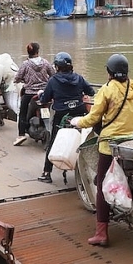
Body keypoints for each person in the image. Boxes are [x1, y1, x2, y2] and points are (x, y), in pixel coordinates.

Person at [70, 53, 133, 247]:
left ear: (109, 72)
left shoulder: (107, 91)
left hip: (110, 144)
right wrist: (130, 125)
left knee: (102, 184)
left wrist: (77, 121)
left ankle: (101, 233)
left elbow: (93, 119)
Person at [36, 52, 95, 183]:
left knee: (53, 141)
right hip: (80, 113)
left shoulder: (53, 81)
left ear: (57, 67)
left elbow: (45, 98)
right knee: (84, 141)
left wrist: (41, 95)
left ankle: (47, 173)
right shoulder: (79, 78)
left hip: (62, 116)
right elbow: (91, 91)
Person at [13, 42, 55, 146]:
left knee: (22, 112)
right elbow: (53, 74)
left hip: (30, 94)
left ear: (28, 52)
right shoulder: (45, 62)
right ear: (37, 51)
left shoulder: (25, 64)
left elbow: (17, 78)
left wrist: (20, 80)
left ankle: (21, 135)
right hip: (45, 93)